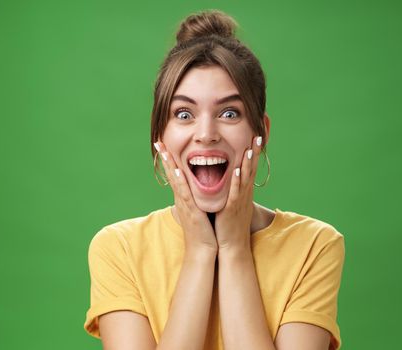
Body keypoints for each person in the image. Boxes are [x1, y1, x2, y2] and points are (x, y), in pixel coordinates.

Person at [84, 9, 345, 350]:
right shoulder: (117, 248)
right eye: (184, 114)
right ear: (159, 134)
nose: (206, 134)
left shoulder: (314, 246)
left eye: (229, 113)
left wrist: (234, 249)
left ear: (261, 133)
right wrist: (201, 251)